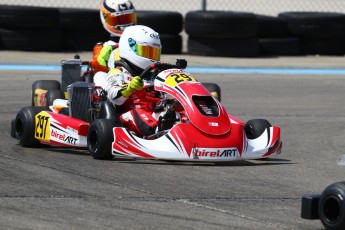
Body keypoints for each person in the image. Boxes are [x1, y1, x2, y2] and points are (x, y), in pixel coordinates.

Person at [94, 25, 178, 136]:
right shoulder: (119, 72)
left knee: (178, 112)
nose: (151, 57)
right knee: (138, 114)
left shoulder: (156, 73)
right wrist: (129, 88)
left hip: (156, 111)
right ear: (130, 47)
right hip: (129, 113)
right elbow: (114, 97)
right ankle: (157, 131)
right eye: (146, 51)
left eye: (153, 52)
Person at [90, 0, 137, 73]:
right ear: (104, 17)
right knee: (99, 76)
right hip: (112, 80)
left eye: (127, 18)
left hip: (137, 80)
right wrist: (103, 58)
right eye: (118, 20)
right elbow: (97, 68)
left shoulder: (139, 40)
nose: (123, 25)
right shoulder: (102, 47)